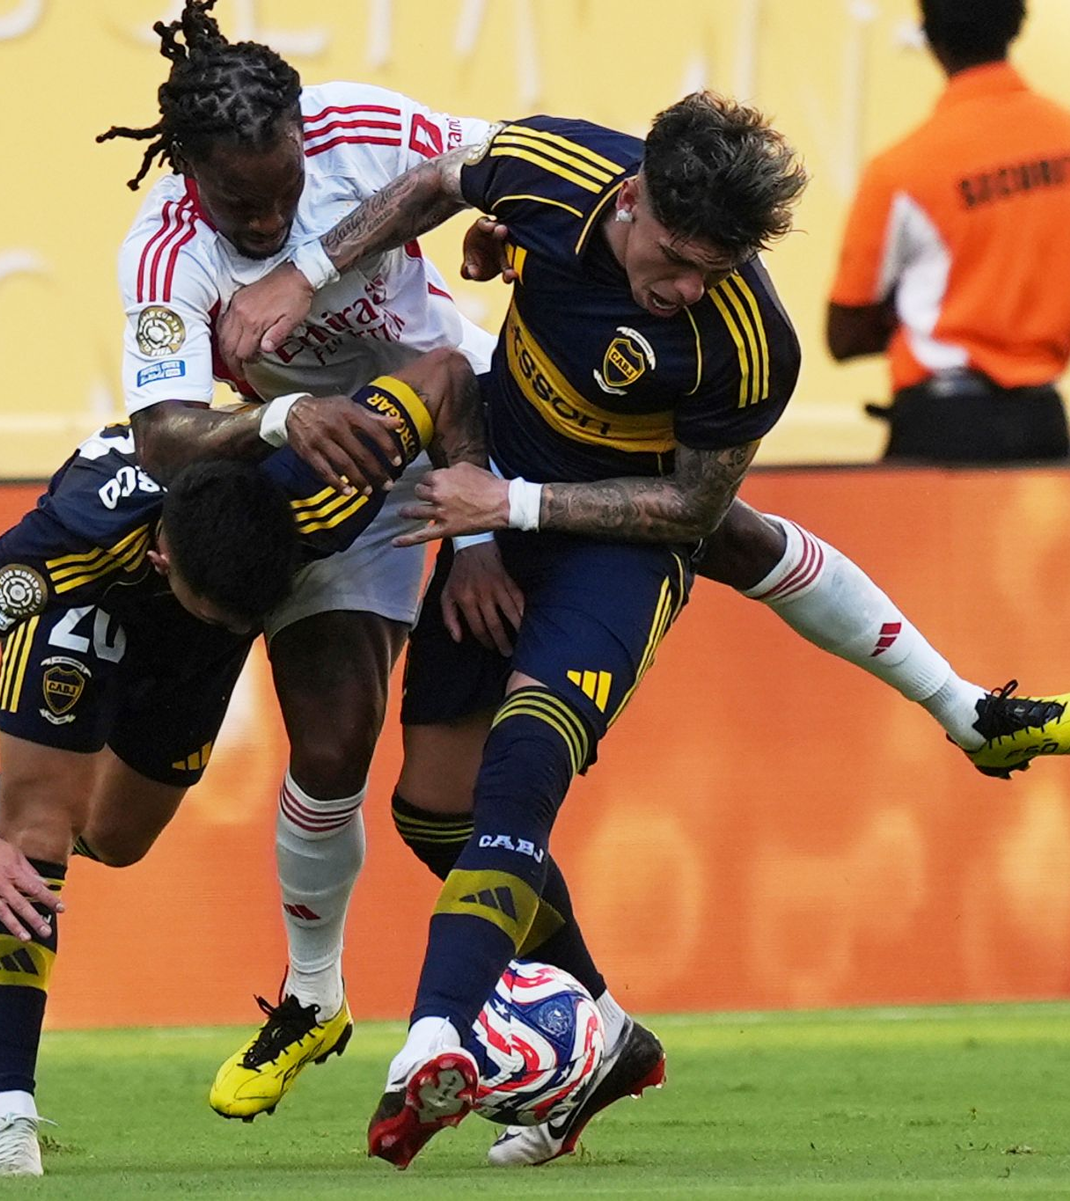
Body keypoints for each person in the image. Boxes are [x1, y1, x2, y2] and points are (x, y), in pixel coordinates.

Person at [224, 91, 1070, 1169]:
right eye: (671, 258)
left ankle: (434, 1034)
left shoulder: (749, 347)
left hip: (615, 550)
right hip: (498, 511)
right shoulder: (549, 170)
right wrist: (307, 276)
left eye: (711, 271)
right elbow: (439, 180)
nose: (684, 290)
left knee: (521, 766)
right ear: (629, 197)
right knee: (433, 813)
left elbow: (695, 516)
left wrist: (510, 508)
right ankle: (605, 1036)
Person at [0, 355, 481, 1177]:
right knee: (37, 837)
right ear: (167, 557)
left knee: (120, 838)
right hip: (88, 612)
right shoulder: (68, 542)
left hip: (199, 632)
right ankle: (7, 1112)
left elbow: (447, 375)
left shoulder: (323, 482)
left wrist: (479, 531)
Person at [94, 0, 518, 1124]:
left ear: (302, 134)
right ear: (187, 170)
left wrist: (501, 225)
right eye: (245, 200)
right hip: (323, 467)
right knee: (331, 740)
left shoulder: (365, 125)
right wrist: (281, 424)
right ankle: (315, 995)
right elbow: (167, 432)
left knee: (702, 521)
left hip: (459, 408)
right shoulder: (164, 252)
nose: (273, 213)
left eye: (287, 185)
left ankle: (949, 695)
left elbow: (505, 161)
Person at [828, 0, 1070, 463]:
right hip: (1045, 427)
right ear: (1017, 26)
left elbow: (846, 332)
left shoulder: (901, 170)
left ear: (929, 37)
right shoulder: (1063, 140)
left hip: (943, 429)